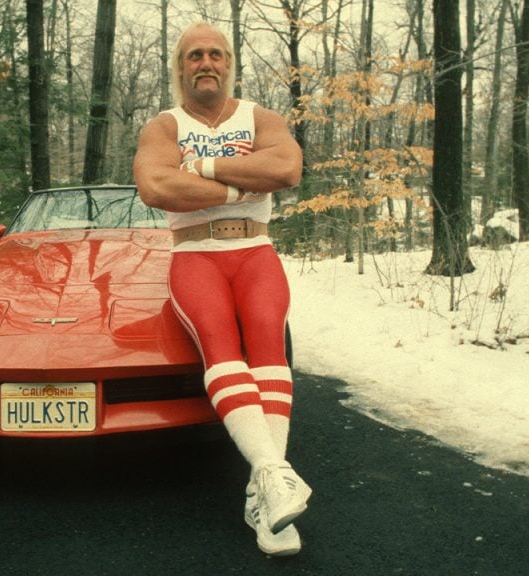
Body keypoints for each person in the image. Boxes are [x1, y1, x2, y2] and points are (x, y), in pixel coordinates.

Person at [132, 21, 310, 557]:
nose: (205, 62)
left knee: (268, 349)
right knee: (220, 345)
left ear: (229, 63)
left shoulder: (261, 116)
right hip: (196, 254)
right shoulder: (165, 126)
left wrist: (206, 168)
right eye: (193, 55)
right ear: (180, 67)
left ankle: (266, 493)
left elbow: (287, 167)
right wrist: (245, 180)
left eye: (215, 54)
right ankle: (273, 479)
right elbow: (157, 186)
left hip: (255, 252)